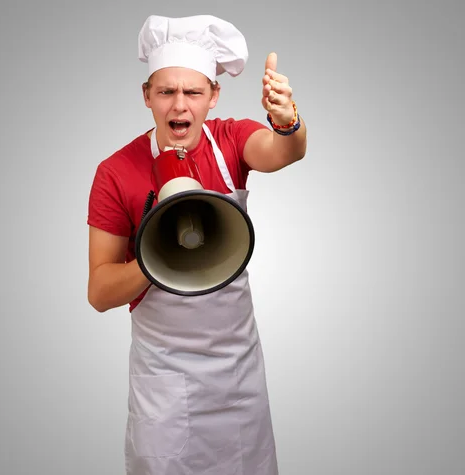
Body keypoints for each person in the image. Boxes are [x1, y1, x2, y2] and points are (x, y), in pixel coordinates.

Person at [87, 14, 307, 475]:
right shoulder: (115, 171)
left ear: (214, 95)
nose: (179, 106)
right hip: (164, 380)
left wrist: (288, 123)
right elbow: (100, 293)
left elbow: (284, 153)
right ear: (147, 95)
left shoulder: (231, 139)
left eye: (193, 92)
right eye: (166, 91)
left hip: (237, 376)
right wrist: (155, 251)